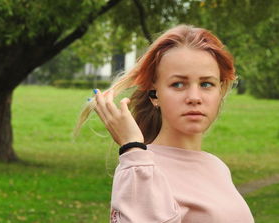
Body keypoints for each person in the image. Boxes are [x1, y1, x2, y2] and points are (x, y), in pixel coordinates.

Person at [75, 25, 254, 222]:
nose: (194, 97)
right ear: (154, 94)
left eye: (206, 84)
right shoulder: (139, 167)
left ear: (220, 91)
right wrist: (132, 147)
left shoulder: (217, 167)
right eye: (178, 84)